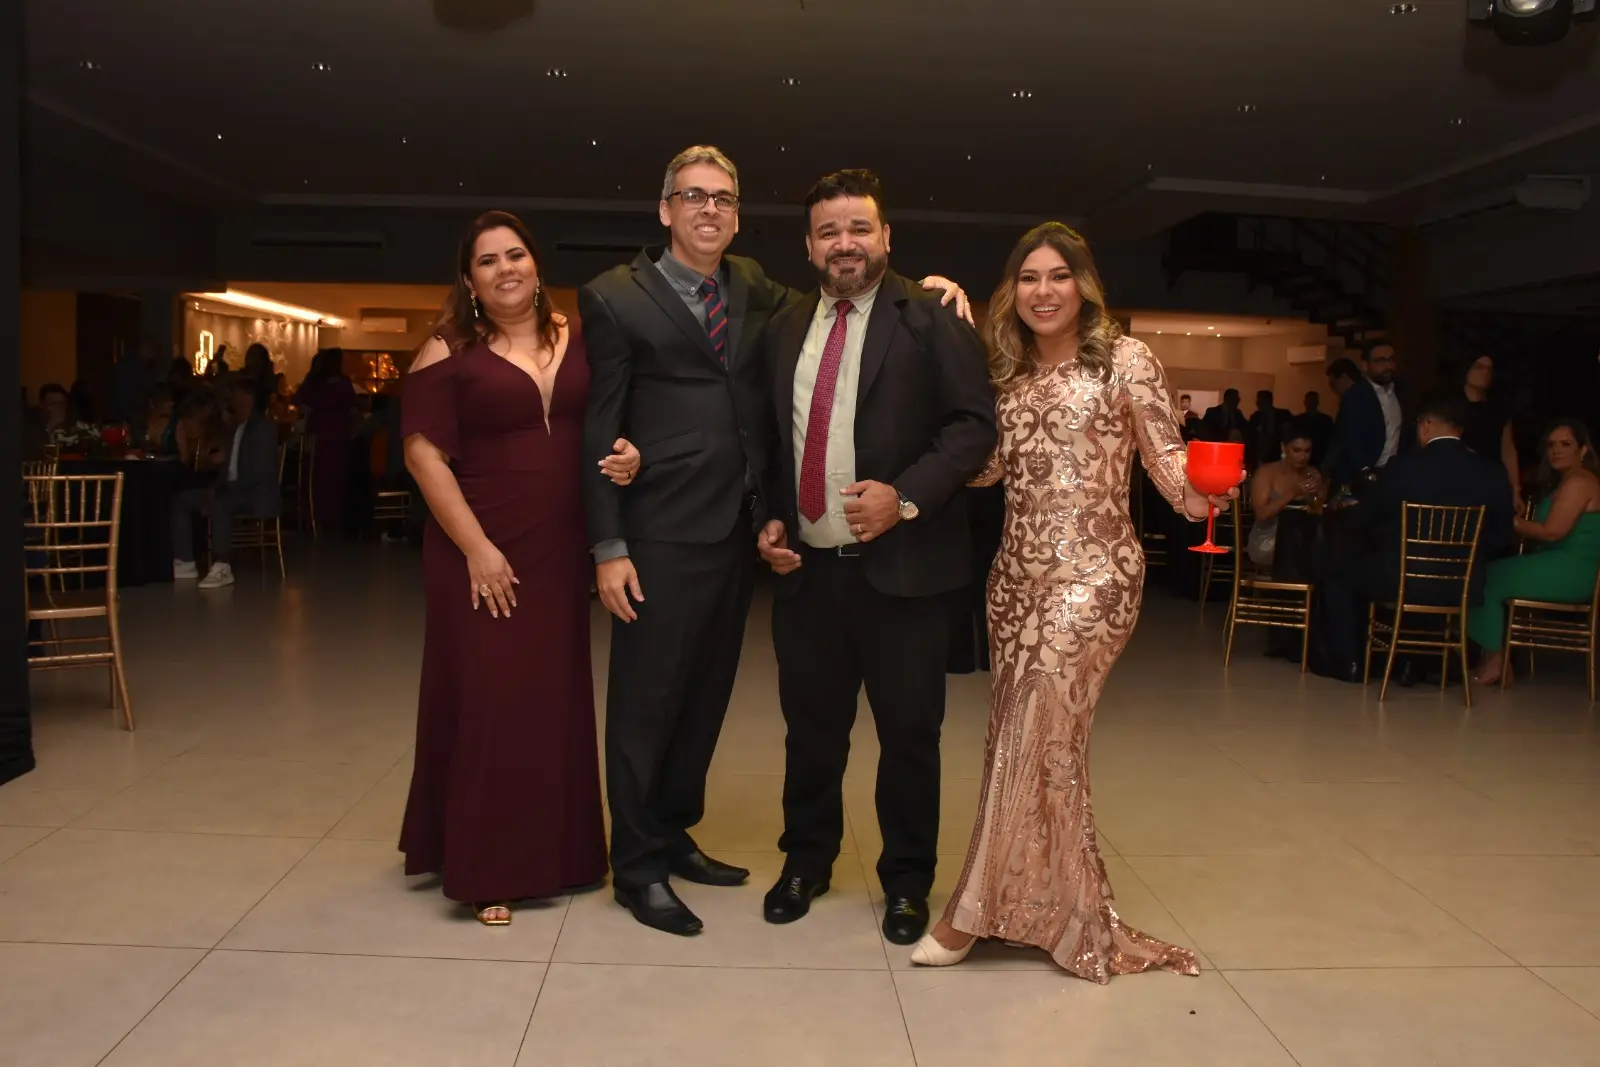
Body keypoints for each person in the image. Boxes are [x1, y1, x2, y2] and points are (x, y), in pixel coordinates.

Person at [581, 145, 970, 936]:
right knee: (712, 718)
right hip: (708, 546)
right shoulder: (646, 299)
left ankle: (887, 879)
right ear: (665, 210)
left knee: (745, 710)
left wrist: (900, 496)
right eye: (693, 196)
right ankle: (693, 864)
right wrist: (613, 540)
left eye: (723, 197)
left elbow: (961, 419)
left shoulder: (798, 296)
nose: (709, 210)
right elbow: (617, 420)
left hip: (823, 552)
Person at [913, 221, 1219, 980]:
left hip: (1095, 577)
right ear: (1010, 292)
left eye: (1058, 276)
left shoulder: (1125, 360)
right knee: (1031, 743)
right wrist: (948, 344)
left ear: (1085, 285)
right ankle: (1054, 908)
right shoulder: (1006, 374)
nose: (1043, 292)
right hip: (1014, 581)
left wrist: (1203, 492)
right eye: (1028, 278)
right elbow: (982, 471)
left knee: (1033, 725)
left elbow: (1167, 459)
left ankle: (967, 914)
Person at [751, 170, 995, 947]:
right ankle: (806, 861)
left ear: (886, 237)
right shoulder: (785, 327)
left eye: (859, 227)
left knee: (910, 737)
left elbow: (972, 425)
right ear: (809, 246)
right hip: (810, 576)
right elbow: (772, 440)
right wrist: (770, 519)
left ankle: (908, 881)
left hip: (908, 574)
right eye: (829, 231)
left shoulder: (930, 316)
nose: (845, 243)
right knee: (810, 732)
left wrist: (906, 497)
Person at [400, 211, 640, 926]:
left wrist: (631, 453)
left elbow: (613, 417)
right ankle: (488, 866)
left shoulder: (582, 335)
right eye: (487, 261)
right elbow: (422, 455)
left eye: (515, 255)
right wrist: (477, 548)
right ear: (469, 280)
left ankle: (561, 855)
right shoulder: (448, 346)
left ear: (536, 265)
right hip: (478, 546)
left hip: (559, 547)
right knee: (489, 698)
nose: (505, 269)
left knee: (552, 697)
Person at [1312, 391, 1515, 685]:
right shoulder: (1492, 473)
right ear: (1459, 429)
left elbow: (1367, 518)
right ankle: (1416, 663)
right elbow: (1501, 536)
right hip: (1463, 584)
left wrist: (1352, 515)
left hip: (1402, 577)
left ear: (1426, 425)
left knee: (1338, 569)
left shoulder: (1402, 468)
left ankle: (1349, 663)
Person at [1468, 419, 1600, 685]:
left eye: (1565, 444)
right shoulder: (1569, 480)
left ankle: (1496, 660)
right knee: (1484, 572)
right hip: (1561, 565)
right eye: (1551, 445)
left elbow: (1552, 532)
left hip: (1570, 572)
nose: (1556, 450)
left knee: (1480, 577)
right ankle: (1494, 657)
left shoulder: (1579, 482)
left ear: (1583, 450)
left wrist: (1512, 522)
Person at [171, 377, 282, 589]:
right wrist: (217, 477)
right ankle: (185, 561)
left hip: (256, 493)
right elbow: (229, 467)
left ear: (247, 397)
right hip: (231, 489)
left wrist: (225, 489)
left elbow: (260, 473)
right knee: (182, 500)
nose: (231, 398)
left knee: (222, 503)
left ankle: (222, 565)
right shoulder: (235, 427)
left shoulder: (263, 428)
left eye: (235, 394)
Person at [294, 348, 359, 534]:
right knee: (335, 481)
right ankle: (332, 520)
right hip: (339, 438)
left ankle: (312, 518)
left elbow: (300, 402)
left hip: (318, 437)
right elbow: (353, 410)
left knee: (315, 480)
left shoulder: (314, 383)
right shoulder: (343, 385)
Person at [1324, 343, 1403, 493]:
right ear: (1365, 366)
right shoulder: (1354, 396)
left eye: (1391, 360)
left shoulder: (1401, 392)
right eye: (1380, 361)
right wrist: (1366, 472)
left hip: (1393, 475)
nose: (1388, 366)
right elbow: (1349, 441)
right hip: (1362, 477)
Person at [1249, 424, 1325, 568]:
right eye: (1296, 450)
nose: (1302, 456)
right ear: (1284, 448)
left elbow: (1319, 513)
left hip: (1305, 540)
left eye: (1307, 451)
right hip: (1269, 539)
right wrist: (1291, 494)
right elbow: (1261, 515)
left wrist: (1315, 496)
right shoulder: (1266, 473)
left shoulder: (1313, 473)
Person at [1459, 353, 1521, 504]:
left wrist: (1515, 489)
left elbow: (1508, 450)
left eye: (1489, 369)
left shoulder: (1499, 409)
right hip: (1459, 479)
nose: (1485, 373)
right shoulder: (1451, 406)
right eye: (1479, 367)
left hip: (1491, 481)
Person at [1247, 388, 1293, 467]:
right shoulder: (1255, 417)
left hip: (1276, 453)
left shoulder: (1282, 415)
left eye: (1260, 400)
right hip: (1259, 454)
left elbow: (1287, 433)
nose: (1257, 402)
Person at [1301, 390, 1335, 468]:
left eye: (1312, 400)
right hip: (1307, 458)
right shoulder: (1326, 420)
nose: (1311, 403)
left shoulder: (1326, 420)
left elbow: (1331, 440)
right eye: (1310, 400)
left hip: (1320, 458)